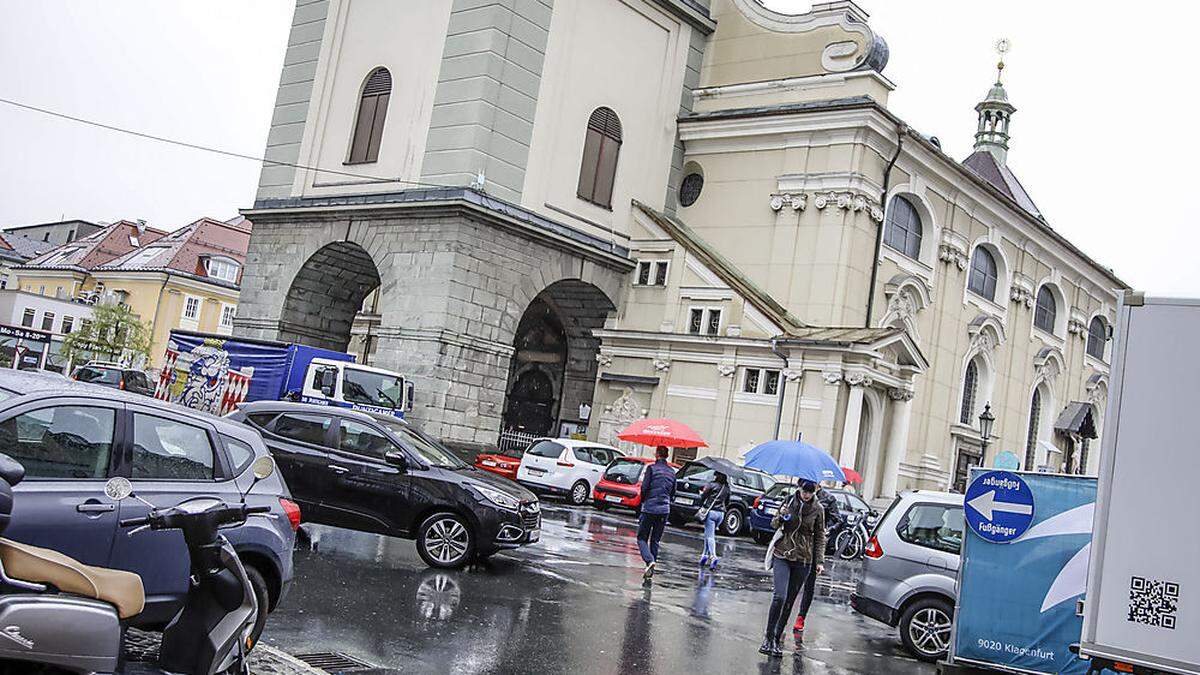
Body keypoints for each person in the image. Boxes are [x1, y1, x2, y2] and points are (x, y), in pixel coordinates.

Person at [761, 480, 825, 658]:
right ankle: (768, 636)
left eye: (810, 492)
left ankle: (776, 638)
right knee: (779, 596)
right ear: (799, 488)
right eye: (805, 491)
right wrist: (781, 516)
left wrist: (819, 560)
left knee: (789, 601)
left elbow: (820, 535)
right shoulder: (789, 501)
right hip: (782, 553)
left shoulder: (818, 509)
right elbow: (773, 524)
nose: (806, 495)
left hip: (803, 559)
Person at [795, 485, 841, 633]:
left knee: (809, 583)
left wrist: (828, 530)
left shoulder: (828, 499)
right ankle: (785, 612)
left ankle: (801, 616)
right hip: (796, 544)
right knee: (792, 583)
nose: (806, 493)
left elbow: (838, 520)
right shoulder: (795, 498)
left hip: (815, 545)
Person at [637, 445, 677, 581]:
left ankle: (649, 561)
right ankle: (651, 568)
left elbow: (644, 488)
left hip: (650, 507)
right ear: (666, 455)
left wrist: (643, 501)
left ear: (657, 454)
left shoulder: (651, 469)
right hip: (664, 510)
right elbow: (673, 492)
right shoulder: (672, 472)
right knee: (655, 539)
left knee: (642, 538)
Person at [697, 472, 730, 570]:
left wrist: (701, 498)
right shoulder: (727, 488)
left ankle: (713, 556)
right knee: (708, 534)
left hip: (711, 512)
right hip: (721, 514)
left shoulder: (711, 484)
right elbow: (727, 502)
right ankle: (704, 556)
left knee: (710, 536)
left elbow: (703, 496)